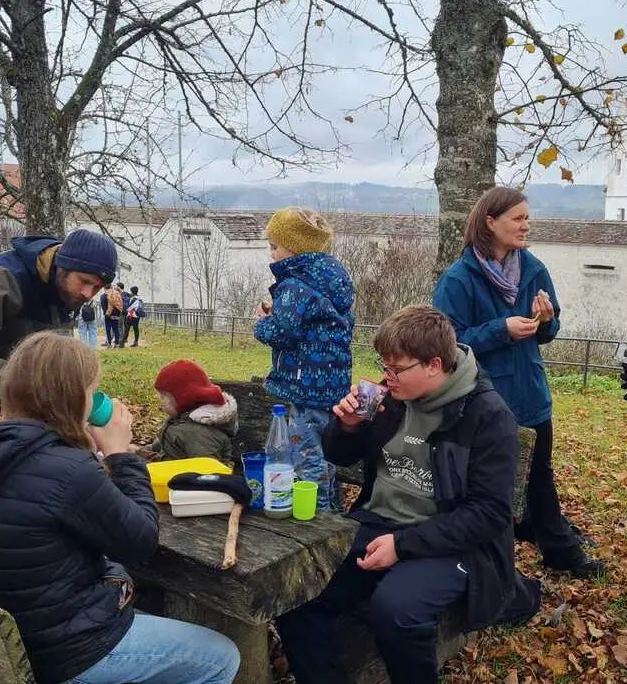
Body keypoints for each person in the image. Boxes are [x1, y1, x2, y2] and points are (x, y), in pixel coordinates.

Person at [0, 332, 239, 684]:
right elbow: (141, 542)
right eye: (91, 389)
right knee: (221, 656)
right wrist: (121, 456)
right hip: (65, 652)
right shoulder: (66, 469)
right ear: (72, 396)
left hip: (4, 636)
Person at [277, 306, 534, 684]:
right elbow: (339, 455)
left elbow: (489, 514)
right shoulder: (390, 400)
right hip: (377, 523)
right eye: (384, 366)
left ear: (433, 364)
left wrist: (403, 544)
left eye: (397, 369)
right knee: (295, 590)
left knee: (396, 609)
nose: (387, 377)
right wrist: (347, 427)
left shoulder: (487, 415)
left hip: (451, 543)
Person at [432, 186, 604, 579]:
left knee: (540, 473)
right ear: (490, 222)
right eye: (518, 218)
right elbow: (443, 344)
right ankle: (517, 552)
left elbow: (550, 330)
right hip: (483, 399)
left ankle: (554, 544)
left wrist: (546, 321)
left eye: (528, 218)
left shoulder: (534, 269)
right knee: (488, 483)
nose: (527, 225)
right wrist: (501, 329)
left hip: (529, 392)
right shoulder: (459, 279)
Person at [0, 230, 117, 413]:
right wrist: (25, 386)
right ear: (62, 266)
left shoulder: (69, 291)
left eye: (97, 288)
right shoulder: (3, 276)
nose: (88, 294)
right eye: (84, 281)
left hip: (16, 400)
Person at [253, 207, 354, 513]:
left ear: (295, 249)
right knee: (325, 456)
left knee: (307, 460)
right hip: (331, 389)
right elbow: (317, 327)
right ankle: (333, 512)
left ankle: (320, 522)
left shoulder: (294, 285)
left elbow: (284, 333)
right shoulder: (333, 280)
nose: (272, 254)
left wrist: (262, 322)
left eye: (275, 247)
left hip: (303, 387)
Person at [150, 360, 239, 464]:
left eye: (164, 396)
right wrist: (140, 452)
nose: (160, 400)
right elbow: (164, 447)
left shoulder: (198, 433)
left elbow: (207, 472)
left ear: (183, 398)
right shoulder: (181, 420)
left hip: (181, 478)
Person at [102, 282, 124, 348]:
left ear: (104, 288)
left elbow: (103, 307)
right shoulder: (117, 294)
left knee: (108, 330)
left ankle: (109, 344)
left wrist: (107, 314)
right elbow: (120, 303)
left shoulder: (103, 296)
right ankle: (117, 344)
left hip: (107, 315)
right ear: (111, 286)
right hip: (116, 315)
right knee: (116, 329)